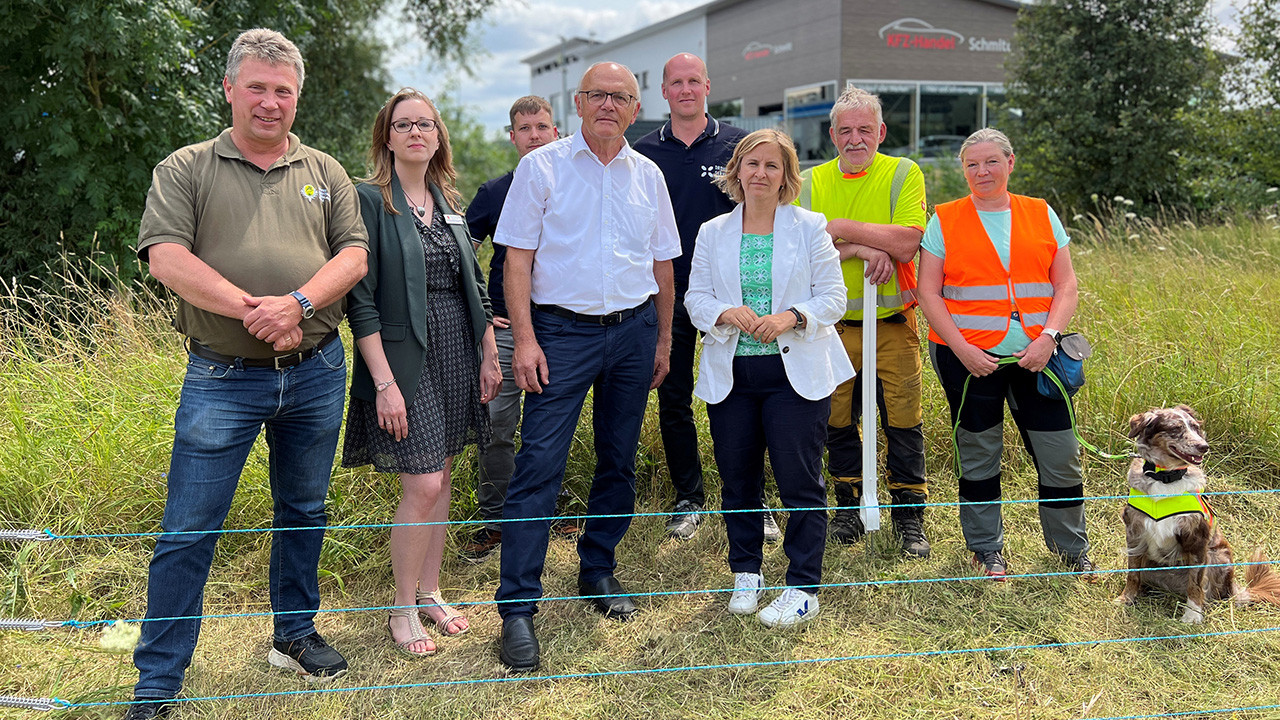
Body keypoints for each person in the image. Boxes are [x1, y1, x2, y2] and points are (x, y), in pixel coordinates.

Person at [128, 28, 369, 719]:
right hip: (222, 378)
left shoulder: (325, 171)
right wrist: (254, 311)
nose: (270, 102)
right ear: (230, 88)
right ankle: (158, 685)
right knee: (188, 530)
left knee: (303, 511)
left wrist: (296, 304)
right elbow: (166, 258)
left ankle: (293, 635)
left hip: (317, 368)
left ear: (298, 97)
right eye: (257, 87)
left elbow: (352, 257)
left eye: (283, 91)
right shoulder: (187, 168)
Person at [492, 61, 680, 672]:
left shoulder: (648, 175)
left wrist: (663, 340)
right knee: (539, 463)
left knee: (618, 458)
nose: (608, 104)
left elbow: (662, 268)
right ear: (578, 103)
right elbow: (516, 263)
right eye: (597, 94)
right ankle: (518, 607)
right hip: (560, 335)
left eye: (620, 96)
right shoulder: (540, 167)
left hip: (633, 333)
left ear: (634, 107)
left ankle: (598, 570)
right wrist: (524, 341)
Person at [341, 89, 501, 656]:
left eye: (426, 124)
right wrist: (383, 382)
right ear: (388, 136)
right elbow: (359, 300)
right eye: (404, 124)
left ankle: (431, 592)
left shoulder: (447, 201)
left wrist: (488, 347)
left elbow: (474, 283)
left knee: (445, 476)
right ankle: (401, 608)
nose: (416, 132)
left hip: (458, 347)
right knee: (424, 483)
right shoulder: (369, 201)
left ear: (438, 137)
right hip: (404, 359)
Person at [686, 129, 852, 627]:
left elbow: (834, 298)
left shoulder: (809, 226)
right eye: (751, 164)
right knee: (738, 480)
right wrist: (723, 311)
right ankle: (746, 572)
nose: (760, 173)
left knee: (800, 481)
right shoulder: (712, 232)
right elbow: (694, 298)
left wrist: (791, 317)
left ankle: (803, 586)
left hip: (794, 372)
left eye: (772, 166)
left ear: (786, 176)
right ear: (736, 171)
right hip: (732, 372)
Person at [916, 128, 1094, 581]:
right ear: (963, 170)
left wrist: (1049, 338)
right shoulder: (946, 218)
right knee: (978, 453)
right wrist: (962, 349)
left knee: (1060, 454)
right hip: (967, 360)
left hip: (1039, 358)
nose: (982, 172)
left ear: (1010, 163)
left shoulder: (1040, 212)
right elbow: (928, 293)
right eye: (972, 164)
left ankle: (1072, 551)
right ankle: (986, 551)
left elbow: (1066, 285)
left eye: (991, 161)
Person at [633, 53, 780, 542]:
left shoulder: (740, 144)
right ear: (664, 91)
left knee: (744, 393)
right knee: (673, 398)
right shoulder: (644, 153)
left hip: (732, 295)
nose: (686, 89)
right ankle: (689, 498)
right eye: (676, 82)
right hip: (668, 293)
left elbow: (772, 209)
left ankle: (754, 503)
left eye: (694, 80)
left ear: (707, 86)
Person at [796, 85, 931, 558]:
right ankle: (848, 509)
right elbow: (804, 256)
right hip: (830, 330)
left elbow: (908, 242)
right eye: (846, 131)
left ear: (881, 132)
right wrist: (863, 248)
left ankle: (909, 518)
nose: (856, 139)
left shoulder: (902, 173)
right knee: (835, 422)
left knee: (903, 421)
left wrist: (843, 232)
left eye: (865, 130)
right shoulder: (811, 183)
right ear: (832, 134)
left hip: (893, 323)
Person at [463, 95, 575, 561]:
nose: (534, 135)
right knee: (497, 423)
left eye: (542, 127)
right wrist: (483, 310)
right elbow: (459, 252)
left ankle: (547, 508)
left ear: (556, 131)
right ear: (513, 136)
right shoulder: (495, 191)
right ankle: (496, 519)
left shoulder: (575, 183)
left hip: (562, 324)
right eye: (524, 128)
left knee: (553, 426)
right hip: (508, 326)